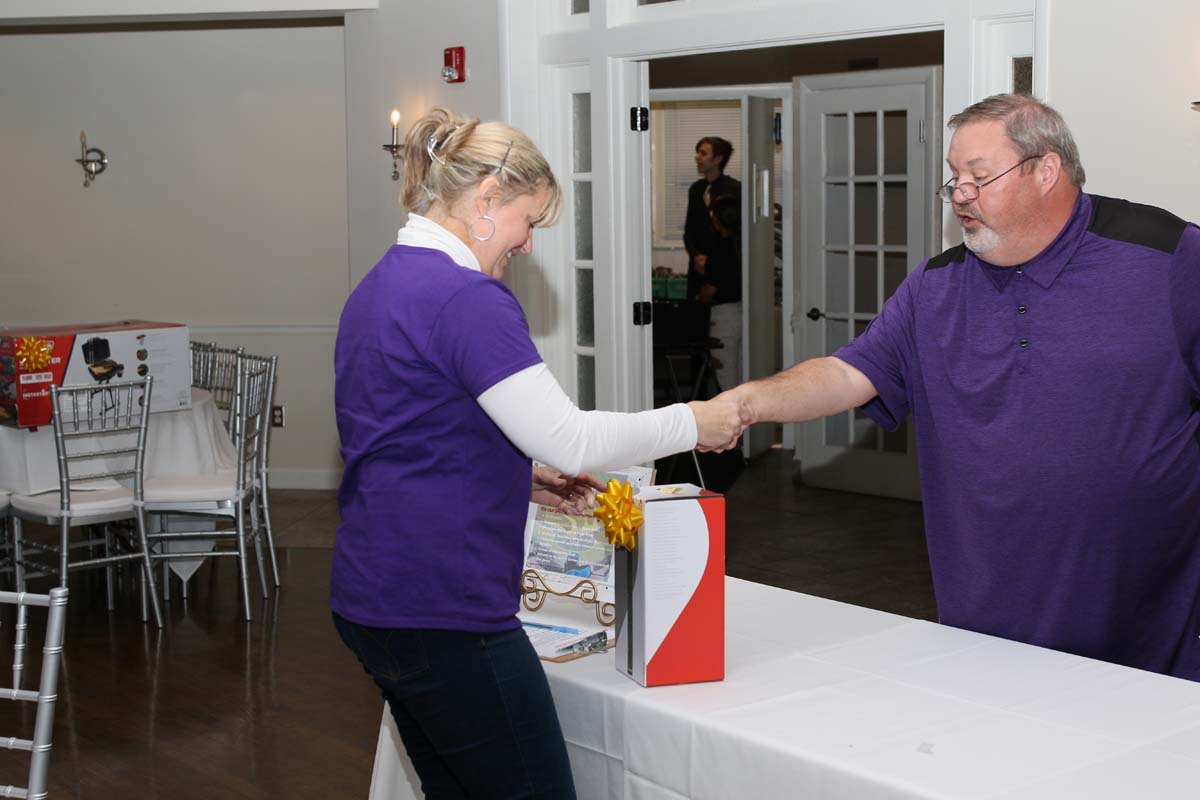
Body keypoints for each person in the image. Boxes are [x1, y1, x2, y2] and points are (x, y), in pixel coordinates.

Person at [331, 107, 743, 799]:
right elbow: (570, 437)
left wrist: (518, 476)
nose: (526, 245)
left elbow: (407, 434)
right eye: (528, 221)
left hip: (372, 596)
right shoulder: (466, 299)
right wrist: (691, 420)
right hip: (443, 607)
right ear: (486, 199)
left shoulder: (379, 284)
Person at [719, 93, 1200, 680]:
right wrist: (747, 403)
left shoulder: (1166, 255)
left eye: (978, 176)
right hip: (983, 611)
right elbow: (849, 373)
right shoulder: (935, 285)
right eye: (954, 178)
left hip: (1146, 623)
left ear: (1045, 170)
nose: (960, 195)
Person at [684, 136, 742, 392]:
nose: (698, 157)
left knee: (724, 354)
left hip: (723, 275)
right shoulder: (696, 189)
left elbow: (734, 229)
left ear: (718, 159)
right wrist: (696, 256)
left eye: (703, 153)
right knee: (695, 340)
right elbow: (689, 230)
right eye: (697, 152)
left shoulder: (734, 189)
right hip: (698, 273)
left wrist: (714, 261)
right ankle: (696, 396)